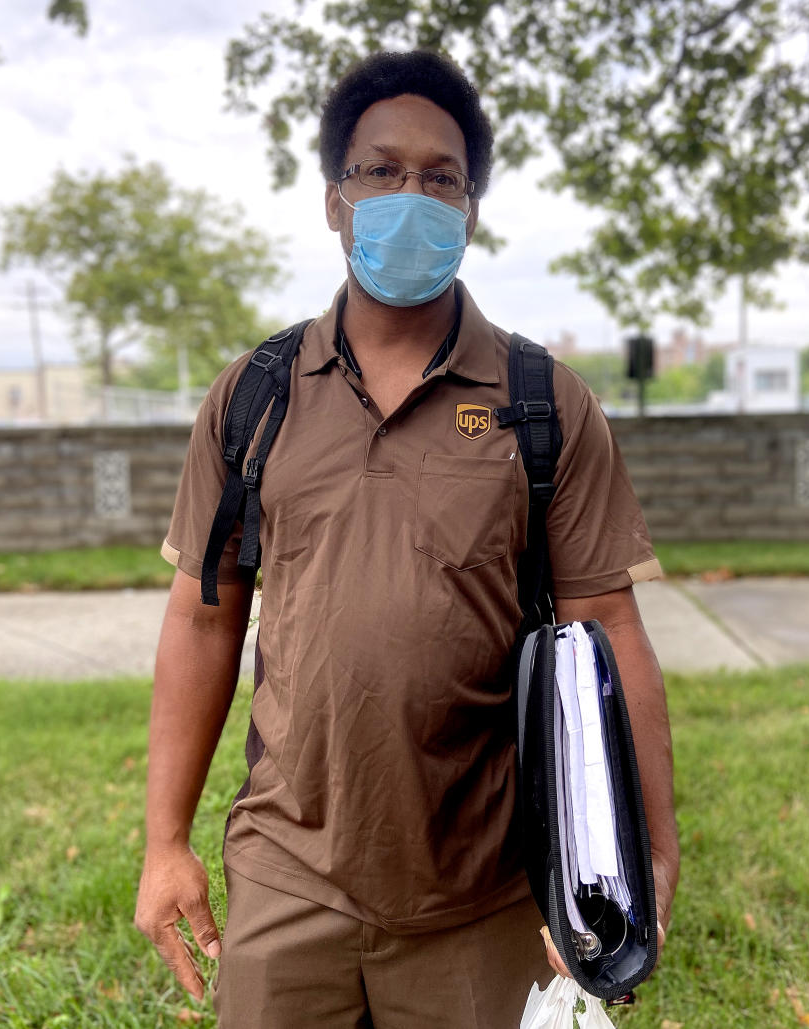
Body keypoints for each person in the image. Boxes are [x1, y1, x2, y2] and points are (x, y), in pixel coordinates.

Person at [135, 49, 679, 1029]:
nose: (410, 195)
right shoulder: (252, 397)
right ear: (335, 201)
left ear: (470, 211)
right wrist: (164, 842)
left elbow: (611, 630)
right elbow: (202, 619)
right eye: (381, 171)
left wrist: (647, 851)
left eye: (440, 178)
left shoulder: (541, 402)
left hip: (484, 889)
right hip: (287, 879)